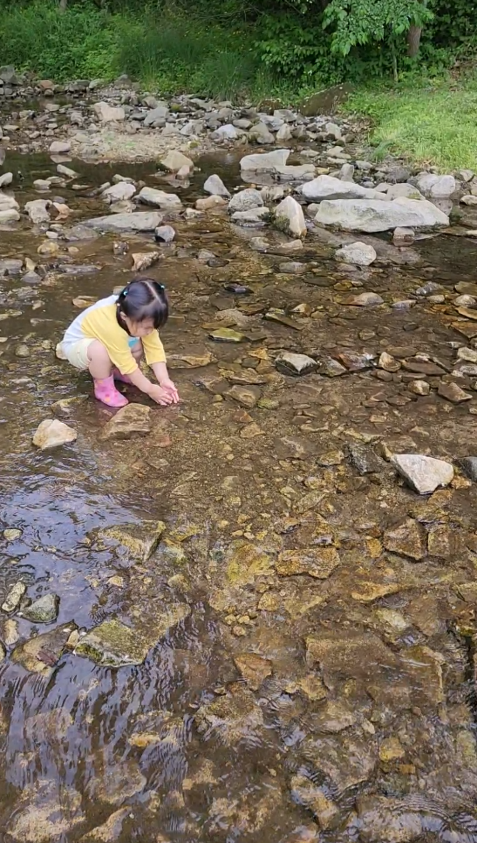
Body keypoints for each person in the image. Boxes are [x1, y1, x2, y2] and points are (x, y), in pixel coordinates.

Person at [60, 278, 179, 409]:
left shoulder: (138, 313)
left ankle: (119, 373)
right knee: (101, 352)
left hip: (108, 341)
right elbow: (126, 362)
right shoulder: (110, 324)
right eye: (146, 327)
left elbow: (154, 348)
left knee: (137, 345)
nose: (149, 331)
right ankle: (103, 388)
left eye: (153, 327)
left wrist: (164, 379)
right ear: (124, 316)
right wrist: (150, 389)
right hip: (76, 346)